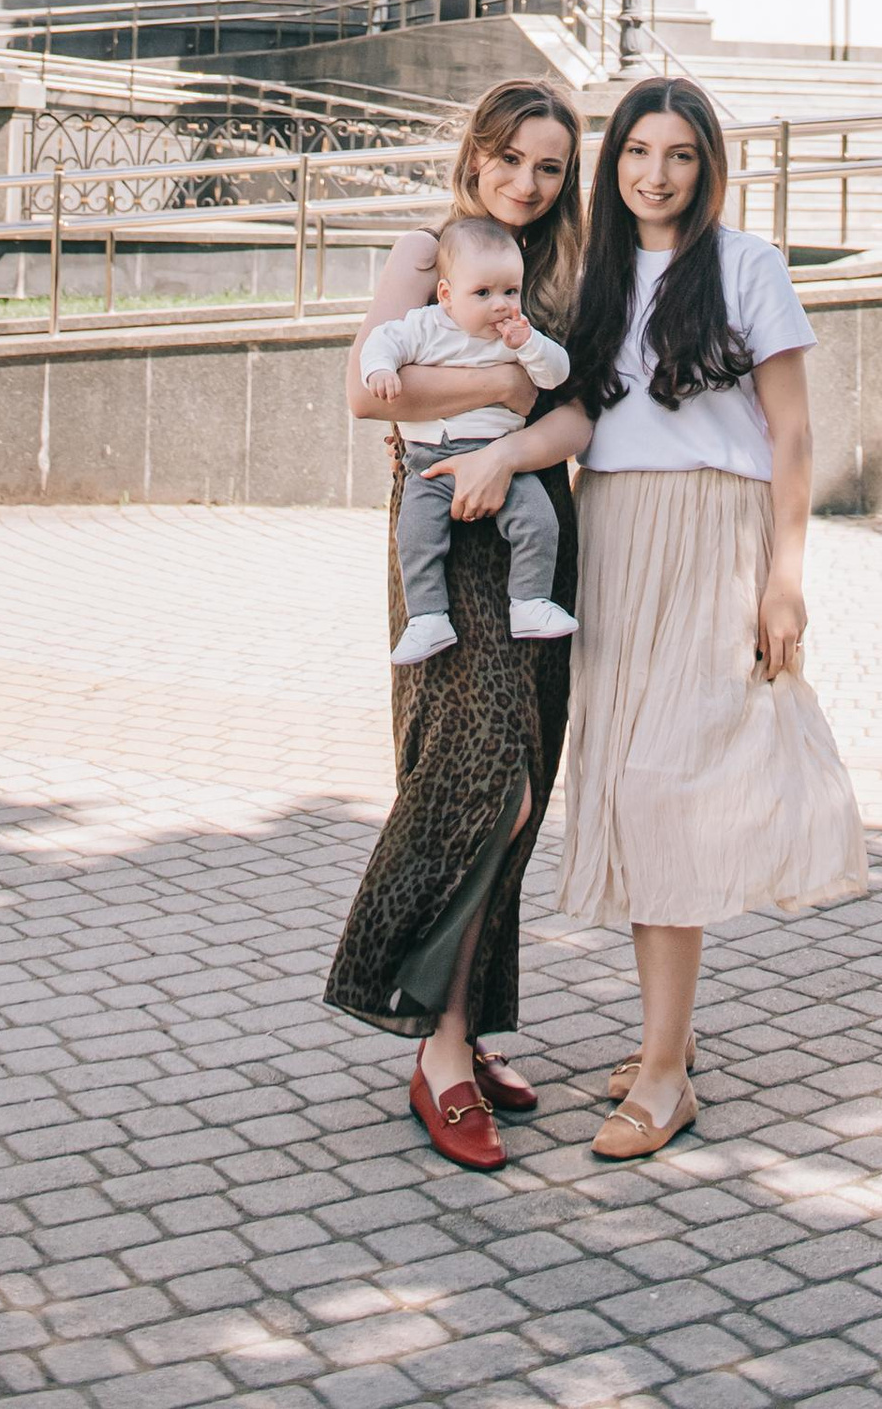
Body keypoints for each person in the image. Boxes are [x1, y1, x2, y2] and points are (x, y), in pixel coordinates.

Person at [556, 74, 867, 1163]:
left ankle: (664, 1073)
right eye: (638, 152)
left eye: (679, 155)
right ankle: (662, 1042)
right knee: (628, 785)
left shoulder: (745, 267)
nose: (655, 174)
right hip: (613, 541)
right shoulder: (589, 271)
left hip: (712, 540)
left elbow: (790, 436)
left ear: (708, 165)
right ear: (614, 162)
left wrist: (786, 575)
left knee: (664, 791)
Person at [325, 79, 591, 1175]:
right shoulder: (417, 250)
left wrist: (501, 433)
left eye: (551, 169)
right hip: (440, 537)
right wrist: (496, 383)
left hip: (531, 524)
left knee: (524, 779)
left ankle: (467, 1026)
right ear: (475, 154)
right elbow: (365, 391)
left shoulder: (570, 275)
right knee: (476, 771)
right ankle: (430, 1044)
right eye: (513, 160)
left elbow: (580, 410)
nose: (528, 185)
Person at [361, 214, 577, 662]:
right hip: (432, 461)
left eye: (510, 292)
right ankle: (427, 617)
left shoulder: (514, 337)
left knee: (539, 521)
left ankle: (529, 602)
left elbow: (556, 376)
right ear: (447, 295)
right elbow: (383, 342)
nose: (500, 305)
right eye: (483, 293)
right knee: (418, 535)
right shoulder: (424, 326)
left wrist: (530, 345)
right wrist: (380, 370)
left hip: (498, 457)